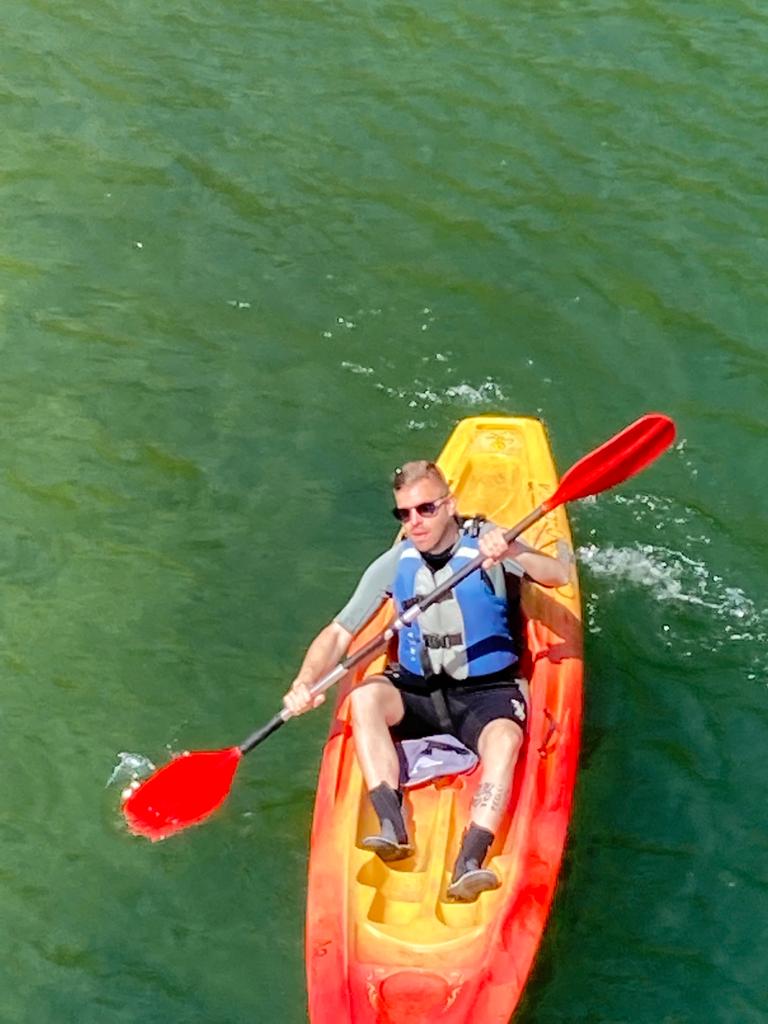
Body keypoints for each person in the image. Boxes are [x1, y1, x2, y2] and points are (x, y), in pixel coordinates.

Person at [283, 460, 570, 901]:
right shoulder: (396, 563)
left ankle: (470, 858)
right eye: (404, 513)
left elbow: (557, 576)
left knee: (504, 741)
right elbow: (339, 632)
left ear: (450, 505)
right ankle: (391, 821)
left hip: (486, 693)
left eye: (426, 509)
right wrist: (304, 683)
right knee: (363, 699)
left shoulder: (489, 545)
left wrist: (513, 551)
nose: (415, 521)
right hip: (417, 691)